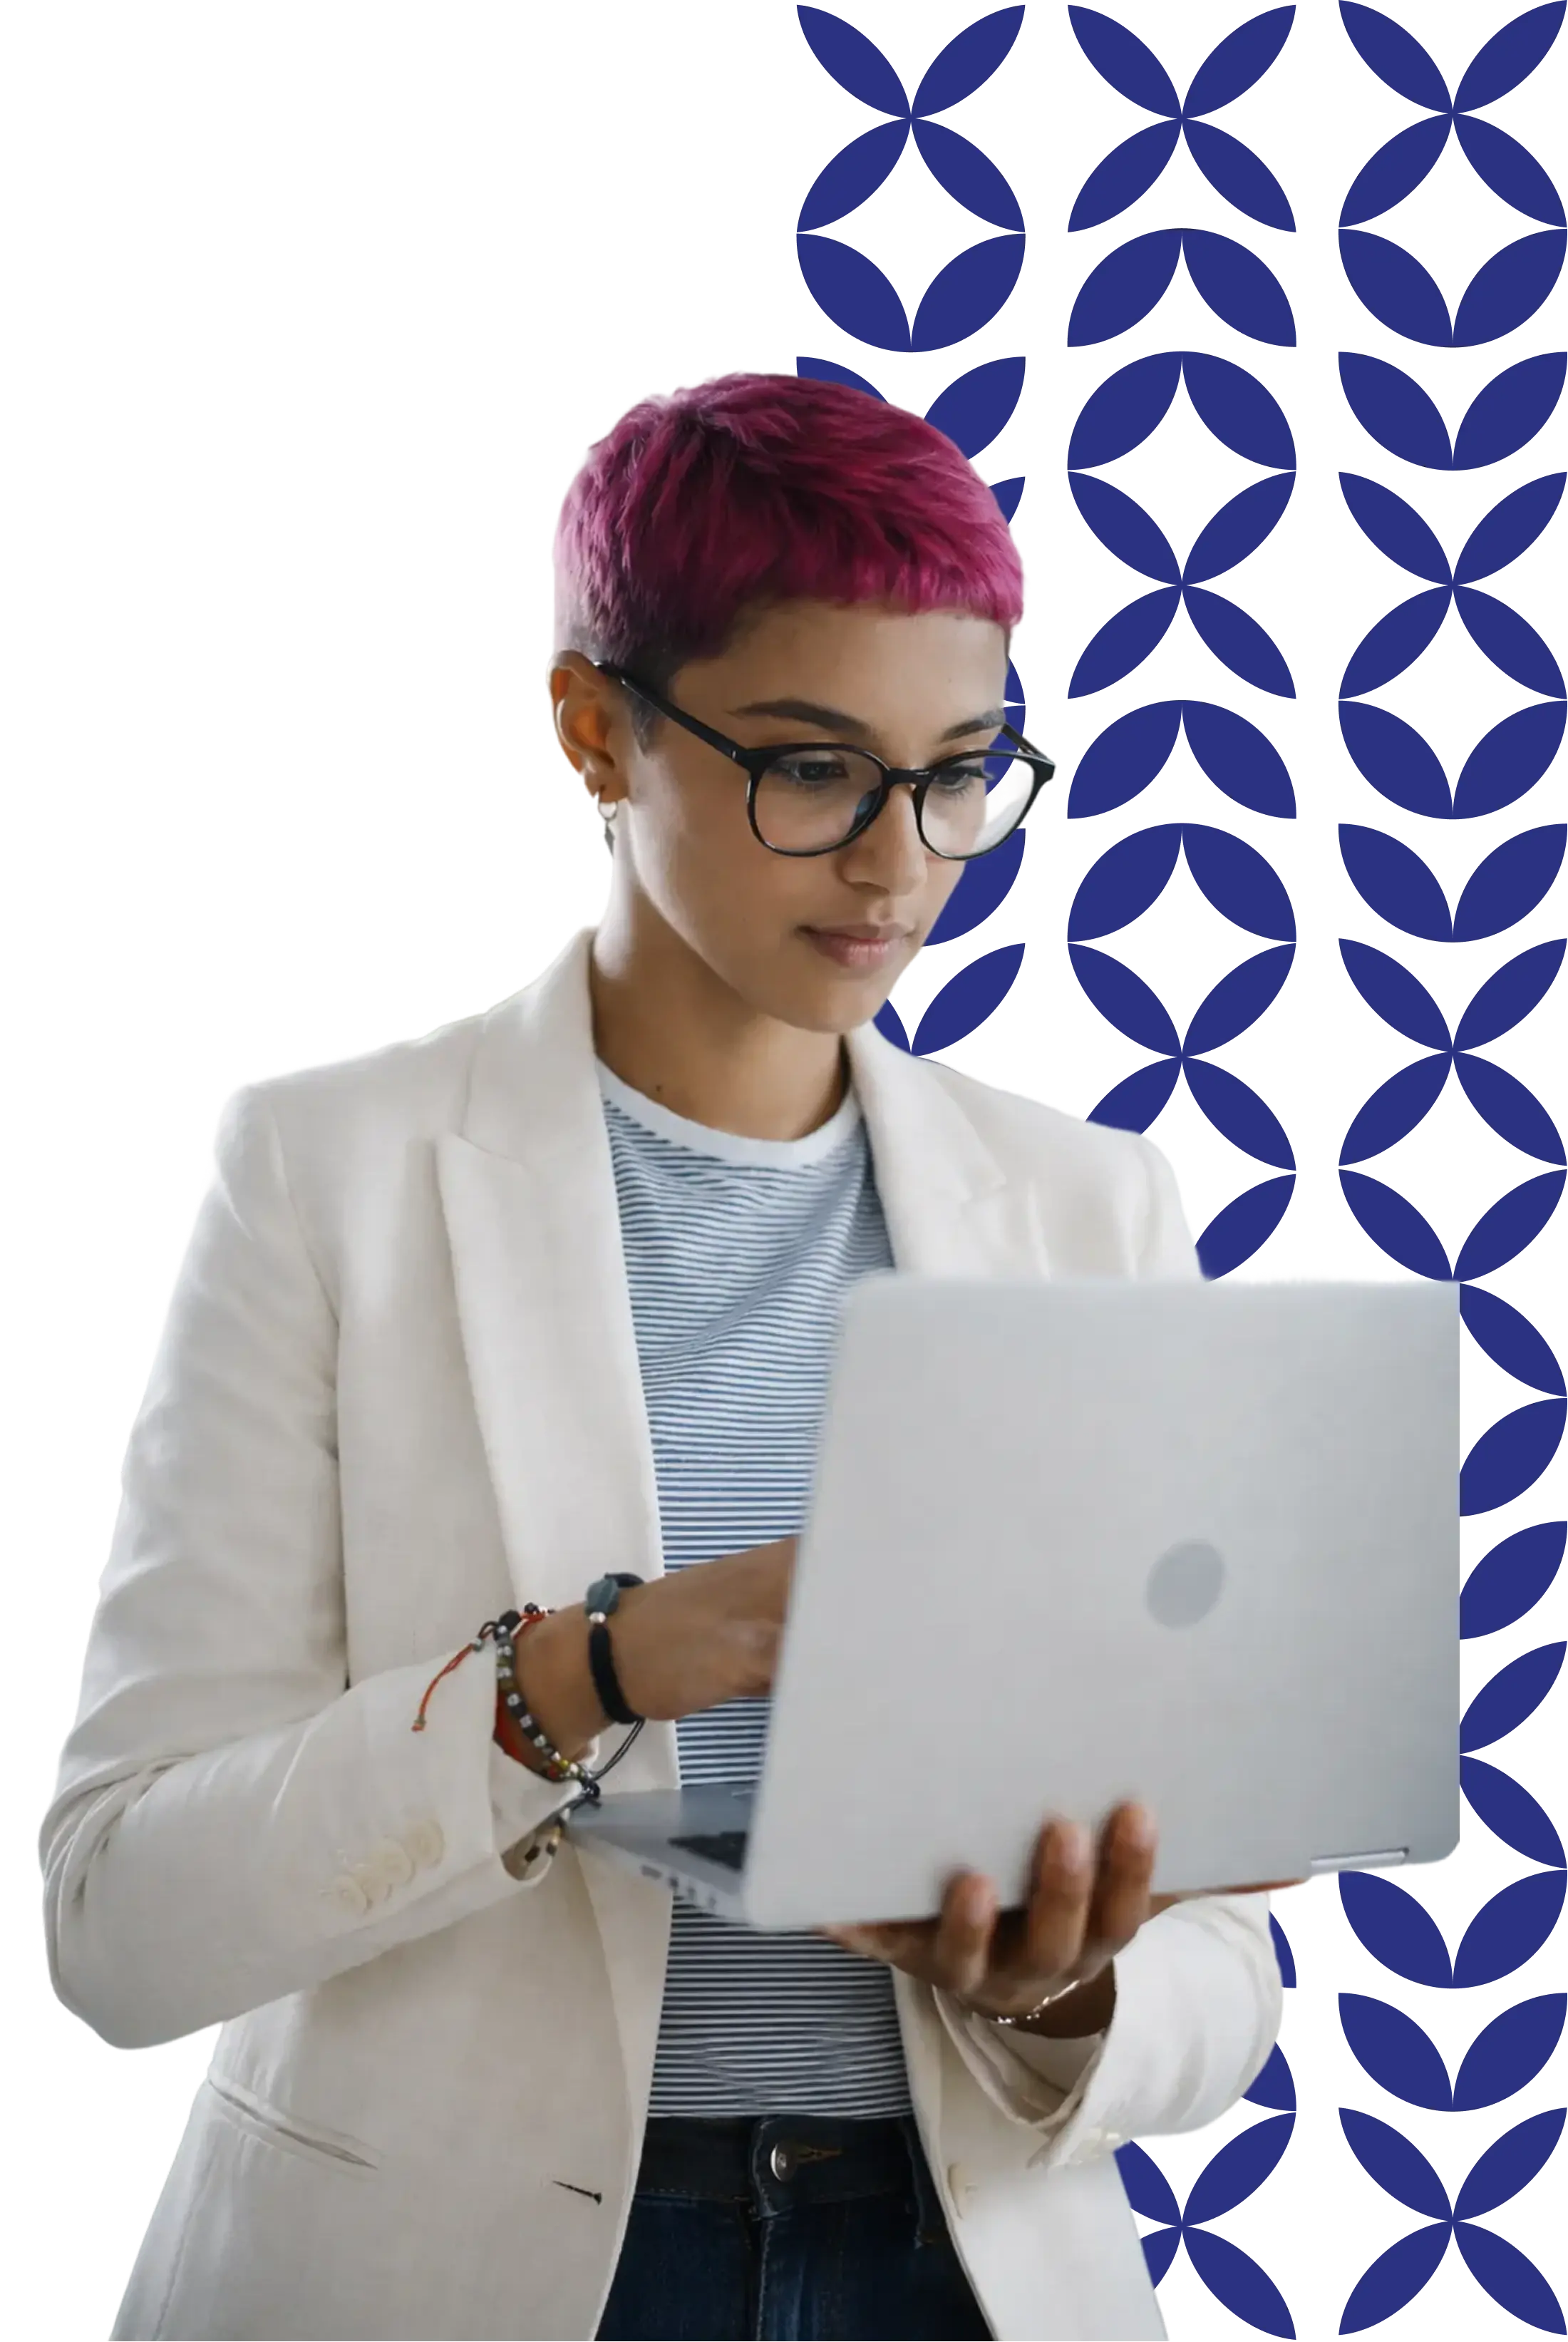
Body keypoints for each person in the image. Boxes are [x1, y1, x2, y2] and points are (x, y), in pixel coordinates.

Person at [39, 366, 1301, 2342]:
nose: (901, 865)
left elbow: (1223, 1969)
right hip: (439, 2273)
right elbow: (117, 1920)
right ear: (593, 726)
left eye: (963, 768)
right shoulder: (325, 1169)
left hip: (959, 2269)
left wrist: (1062, 1986)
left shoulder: (1096, 1205)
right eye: (813, 768)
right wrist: (592, 1671)